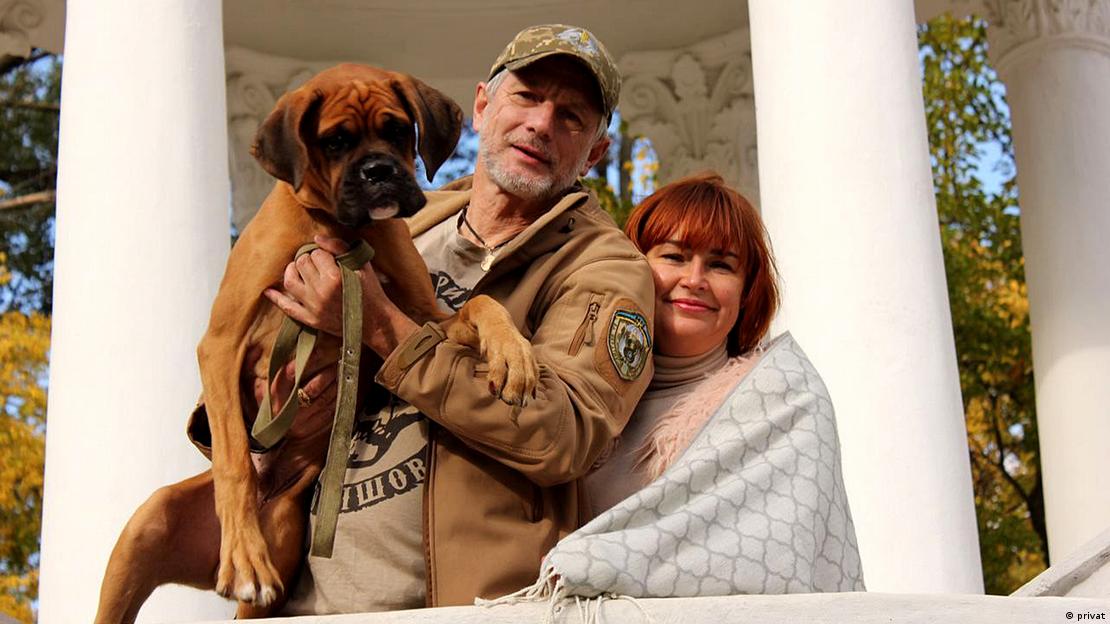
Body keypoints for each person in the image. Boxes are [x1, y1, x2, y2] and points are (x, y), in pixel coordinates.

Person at [263, 25, 657, 613]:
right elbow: (261, 348)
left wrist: (380, 327)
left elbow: (563, 435)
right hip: (300, 601)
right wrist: (263, 407)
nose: (542, 123)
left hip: (453, 610)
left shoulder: (605, 268)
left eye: (572, 117)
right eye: (526, 96)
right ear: (482, 106)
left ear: (595, 153)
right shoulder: (401, 220)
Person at [566, 172, 864, 595]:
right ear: (631, 267)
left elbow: (776, 562)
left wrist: (586, 564)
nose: (695, 279)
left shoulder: (784, 402)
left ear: (747, 292)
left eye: (721, 265)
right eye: (673, 256)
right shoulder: (577, 396)